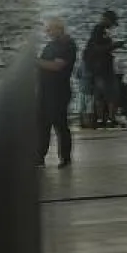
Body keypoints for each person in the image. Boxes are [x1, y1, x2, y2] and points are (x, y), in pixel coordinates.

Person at [36, 18, 78, 168]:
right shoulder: (50, 46)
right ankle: (39, 157)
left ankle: (65, 157)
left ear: (59, 29)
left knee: (60, 124)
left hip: (59, 91)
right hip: (45, 91)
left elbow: (57, 66)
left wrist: (35, 62)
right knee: (42, 125)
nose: (48, 33)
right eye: (47, 30)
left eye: (50, 29)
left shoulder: (67, 45)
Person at [84, 10, 121, 128]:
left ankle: (103, 118)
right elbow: (97, 48)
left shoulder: (103, 31)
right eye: (111, 22)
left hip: (101, 67)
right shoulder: (98, 30)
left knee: (102, 94)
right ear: (106, 19)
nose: (112, 26)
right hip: (101, 67)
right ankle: (108, 118)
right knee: (109, 93)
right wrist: (113, 46)